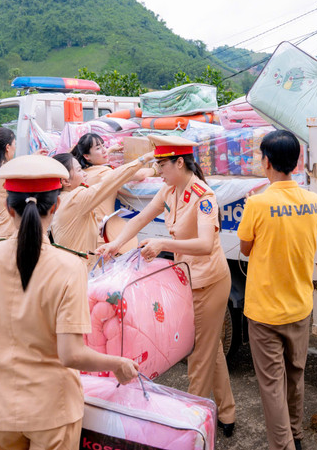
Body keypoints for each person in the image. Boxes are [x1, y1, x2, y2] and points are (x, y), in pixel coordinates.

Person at [0, 155, 139, 450]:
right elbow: (71, 355)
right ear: (54, 206)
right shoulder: (70, 266)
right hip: (51, 410)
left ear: (8, 207)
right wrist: (118, 363)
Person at [96, 134, 237, 437]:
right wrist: (115, 244)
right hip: (188, 280)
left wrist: (163, 243)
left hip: (210, 282)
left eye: (162, 165)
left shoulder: (203, 196)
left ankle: (189, 425)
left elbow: (205, 243)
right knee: (210, 350)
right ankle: (226, 414)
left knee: (198, 355)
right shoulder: (170, 189)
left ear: (180, 162)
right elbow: (140, 218)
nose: (158, 170)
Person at [236, 130, 317, 450]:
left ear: (267, 162)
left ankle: (282, 445)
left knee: (272, 384)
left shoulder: (257, 204)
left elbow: (246, 249)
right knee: (295, 376)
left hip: (264, 310)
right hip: (300, 305)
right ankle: (296, 436)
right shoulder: (314, 201)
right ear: (296, 162)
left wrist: (253, 206)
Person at [51, 150, 154, 257]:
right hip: (79, 268)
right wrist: (144, 159)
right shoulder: (74, 198)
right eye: (79, 170)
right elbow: (111, 181)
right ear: (65, 181)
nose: (85, 174)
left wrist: (95, 228)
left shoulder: (61, 199)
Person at [71, 133, 153, 253]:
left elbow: (97, 157)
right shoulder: (104, 173)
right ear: (87, 156)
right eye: (98, 148)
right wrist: (156, 168)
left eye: (104, 146)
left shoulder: (83, 171)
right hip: (102, 234)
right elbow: (139, 175)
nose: (104, 150)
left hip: (87, 232)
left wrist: (110, 150)